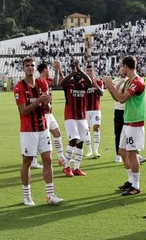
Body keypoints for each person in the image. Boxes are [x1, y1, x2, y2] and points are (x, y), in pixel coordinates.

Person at [15, 57, 63, 206]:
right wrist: (38, 101)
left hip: (43, 127)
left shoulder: (42, 84)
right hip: (28, 130)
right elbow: (23, 111)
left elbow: (48, 108)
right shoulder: (19, 87)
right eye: (27, 65)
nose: (30, 68)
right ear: (23, 68)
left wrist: (47, 104)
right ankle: (27, 196)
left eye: (32, 65)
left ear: (36, 69)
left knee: (48, 160)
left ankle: (50, 195)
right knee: (27, 162)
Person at [103, 55, 146, 196]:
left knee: (132, 154)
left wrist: (111, 86)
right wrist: (110, 89)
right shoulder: (129, 82)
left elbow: (121, 98)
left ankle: (136, 185)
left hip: (135, 122)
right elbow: (118, 98)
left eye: (122, 66)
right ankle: (130, 180)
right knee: (122, 152)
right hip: (127, 121)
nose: (121, 69)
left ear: (126, 66)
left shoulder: (137, 82)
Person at [54, 58, 91, 177]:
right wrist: (72, 73)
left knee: (81, 141)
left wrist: (79, 69)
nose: (78, 72)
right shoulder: (69, 83)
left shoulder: (84, 83)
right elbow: (61, 83)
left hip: (82, 117)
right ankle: (66, 167)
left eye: (79, 69)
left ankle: (77, 168)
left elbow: (90, 82)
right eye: (76, 69)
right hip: (70, 116)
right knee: (74, 139)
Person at [32, 62, 65, 170]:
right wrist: (56, 69)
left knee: (57, 133)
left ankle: (61, 157)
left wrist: (57, 70)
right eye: (48, 69)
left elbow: (56, 83)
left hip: (49, 114)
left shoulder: (46, 80)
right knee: (40, 138)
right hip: (43, 114)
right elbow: (55, 83)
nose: (49, 70)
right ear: (45, 70)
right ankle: (33, 160)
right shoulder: (39, 82)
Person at [85, 68, 104, 159]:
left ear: (94, 72)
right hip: (85, 110)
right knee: (86, 130)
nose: (89, 72)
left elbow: (101, 93)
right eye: (87, 70)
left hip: (96, 109)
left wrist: (95, 84)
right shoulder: (83, 83)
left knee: (96, 127)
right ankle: (89, 150)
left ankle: (96, 151)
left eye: (90, 70)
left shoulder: (99, 82)